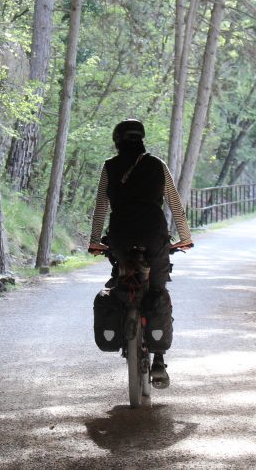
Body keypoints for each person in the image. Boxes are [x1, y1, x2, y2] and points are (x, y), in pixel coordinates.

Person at [87, 119, 193, 388]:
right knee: (157, 288)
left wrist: (94, 240)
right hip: (153, 233)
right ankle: (158, 359)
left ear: (117, 140)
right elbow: (175, 205)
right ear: (142, 138)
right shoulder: (157, 165)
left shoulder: (110, 167)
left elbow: (101, 206)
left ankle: (124, 326)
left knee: (121, 279)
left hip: (121, 236)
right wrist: (186, 238)